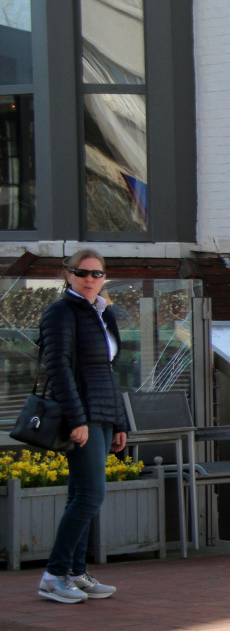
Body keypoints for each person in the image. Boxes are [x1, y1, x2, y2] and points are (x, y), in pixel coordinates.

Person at [37, 249, 128, 603]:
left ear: (105, 277)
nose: (90, 279)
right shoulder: (61, 311)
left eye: (97, 273)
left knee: (82, 496)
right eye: (82, 273)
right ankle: (54, 575)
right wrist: (77, 420)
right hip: (82, 416)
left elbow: (108, 371)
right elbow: (57, 368)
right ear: (69, 275)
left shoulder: (102, 313)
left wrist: (119, 422)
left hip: (103, 414)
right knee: (91, 495)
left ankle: (76, 572)